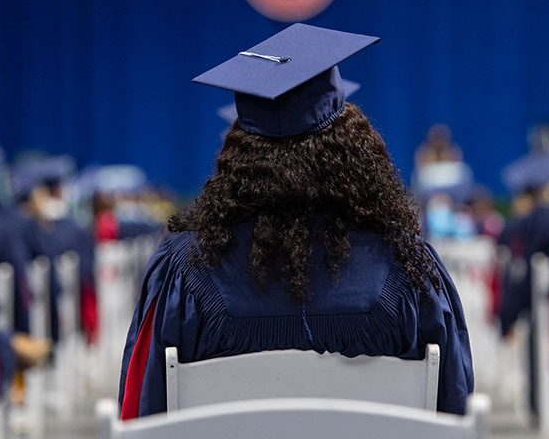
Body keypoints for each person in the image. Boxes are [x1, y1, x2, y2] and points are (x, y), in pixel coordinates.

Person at [119, 23, 474, 419]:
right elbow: (453, 411)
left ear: (239, 154)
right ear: (354, 149)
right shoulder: (409, 269)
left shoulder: (184, 272)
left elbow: (142, 411)